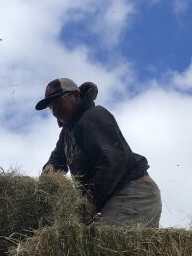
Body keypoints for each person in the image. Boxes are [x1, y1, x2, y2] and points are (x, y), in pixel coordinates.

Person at [36, 78, 162, 227]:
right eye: (51, 105)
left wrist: (90, 200)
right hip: (111, 199)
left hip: (133, 192)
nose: (54, 109)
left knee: (101, 242)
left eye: (58, 101)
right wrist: (50, 168)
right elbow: (57, 159)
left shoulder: (93, 117)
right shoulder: (67, 134)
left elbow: (114, 161)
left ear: (76, 95)